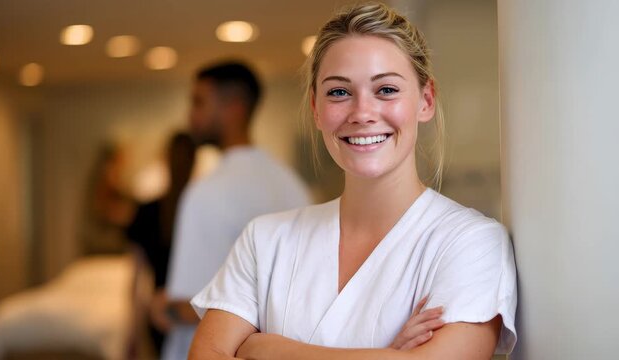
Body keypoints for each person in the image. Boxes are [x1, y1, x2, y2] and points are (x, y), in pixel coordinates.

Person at [189, 3, 517, 360]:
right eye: (339, 92)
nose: (362, 113)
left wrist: (266, 348)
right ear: (315, 107)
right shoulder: (265, 241)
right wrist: (388, 354)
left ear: (425, 100)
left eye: (387, 90)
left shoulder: (469, 242)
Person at [161, 61, 312, 360]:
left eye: (199, 102)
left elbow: (192, 308)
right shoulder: (293, 185)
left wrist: (160, 307)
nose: (190, 115)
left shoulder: (206, 193)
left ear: (234, 107)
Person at [125, 132, 196, 354]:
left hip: (158, 313)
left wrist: (133, 330)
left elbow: (136, 281)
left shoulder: (147, 212)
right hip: (194, 313)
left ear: (165, 160)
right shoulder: (202, 211)